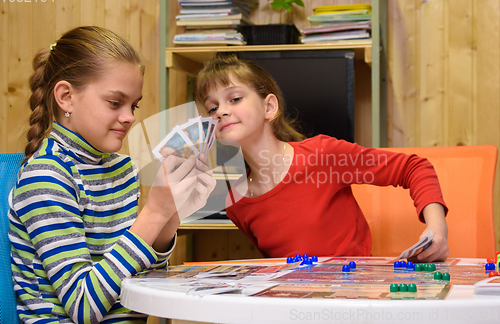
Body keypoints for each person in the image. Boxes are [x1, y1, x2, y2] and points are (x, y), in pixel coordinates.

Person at [9, 26, 215, 323]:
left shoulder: (122, 169)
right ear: (66, 97)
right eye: (115, 102)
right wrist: (154, 213)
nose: (130, 116)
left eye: (134, 105)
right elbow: (83, 307)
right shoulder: (45, 176)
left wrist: (171, 217)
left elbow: (136, 282)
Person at [195, 53, 449, 263]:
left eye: (235, 98)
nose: (222, 112)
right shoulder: (235, 203)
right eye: (212, 108)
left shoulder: (324, 155)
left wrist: (437, 229)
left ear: (269, 107)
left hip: (352, 302)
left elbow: (414, 167)